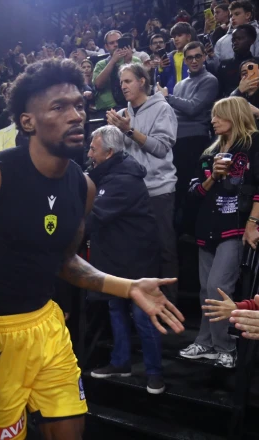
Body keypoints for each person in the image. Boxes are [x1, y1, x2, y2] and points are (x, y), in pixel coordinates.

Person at [0, 59, 185, 440]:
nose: (76, 115)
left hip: (47, 327)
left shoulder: (83, 186)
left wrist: (128, 287)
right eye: (59, 107)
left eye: (78, 105)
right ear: (28, 122)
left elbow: (64, 259)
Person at [179, 97, 259, 368]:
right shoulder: (209, 151)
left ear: (234, 115)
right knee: (206, 289)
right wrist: (213, 176)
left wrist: (253, 222)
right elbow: (193, 193)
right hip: (207, 226)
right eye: (212, 115)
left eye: (219, 115)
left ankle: (226, 346)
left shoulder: (252, 144)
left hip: (235, 226)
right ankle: (206, 342)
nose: (213, 120)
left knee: (218, 287)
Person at [86, 126, 163, 394]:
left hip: (137, 259)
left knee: (143, 315)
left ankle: (155, 373)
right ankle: (120, 362)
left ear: (109, 153)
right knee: (115, 308)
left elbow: (95, 216)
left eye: (93, 149)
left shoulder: (123, 180)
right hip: (116, 257)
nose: (89, 154)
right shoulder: (109, 172)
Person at [107, 63, 179, 304]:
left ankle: (169, 310)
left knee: (165, 250)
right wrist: (112, 132)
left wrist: (128, 131)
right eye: (121, 82)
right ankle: (143, 309)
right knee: (138, 251)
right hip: (132, 193)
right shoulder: (123, 113)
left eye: (128, 81)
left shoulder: (162, 108)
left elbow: (160, 148)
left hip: (159, 190)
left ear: (142, 81)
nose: (123, 86)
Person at [157, 42, 219, 217]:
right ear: (184, 61)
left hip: (196, 140)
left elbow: (193, 108)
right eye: (190, 58)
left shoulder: (210, 80)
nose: (194, 61)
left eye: (198, 56)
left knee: (193, 187)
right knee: (180, 188)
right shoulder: (180, 85)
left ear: (204, 57)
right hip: (177, 140)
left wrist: (168, 97)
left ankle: (192, 226)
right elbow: (176, 112)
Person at [93, 30, 141, 114]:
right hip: (107, 111)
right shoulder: (100, 64)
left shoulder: (135, 60)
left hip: (133, 106)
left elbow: (141, 83)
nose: (115, 45)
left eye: (118, 41)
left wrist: (128, 62)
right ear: (106, 47)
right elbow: (98, 85)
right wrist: (113, 61)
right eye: (111, 43)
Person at [217, 24, 258, 97]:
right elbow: (219, 93)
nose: (235, 42)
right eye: (233, 39)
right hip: (231, 101)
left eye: (239, 39)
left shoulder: (257, 63)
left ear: (251, 40)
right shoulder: (224, 65)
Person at [159, 22, 195, 94]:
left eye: (179, 35)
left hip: (190, 94)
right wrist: (161, 69)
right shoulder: (168, 58)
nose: (176, 39)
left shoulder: (196, 55)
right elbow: (162, 82)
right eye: (174, 36)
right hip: (171, 97)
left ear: (188, 37)